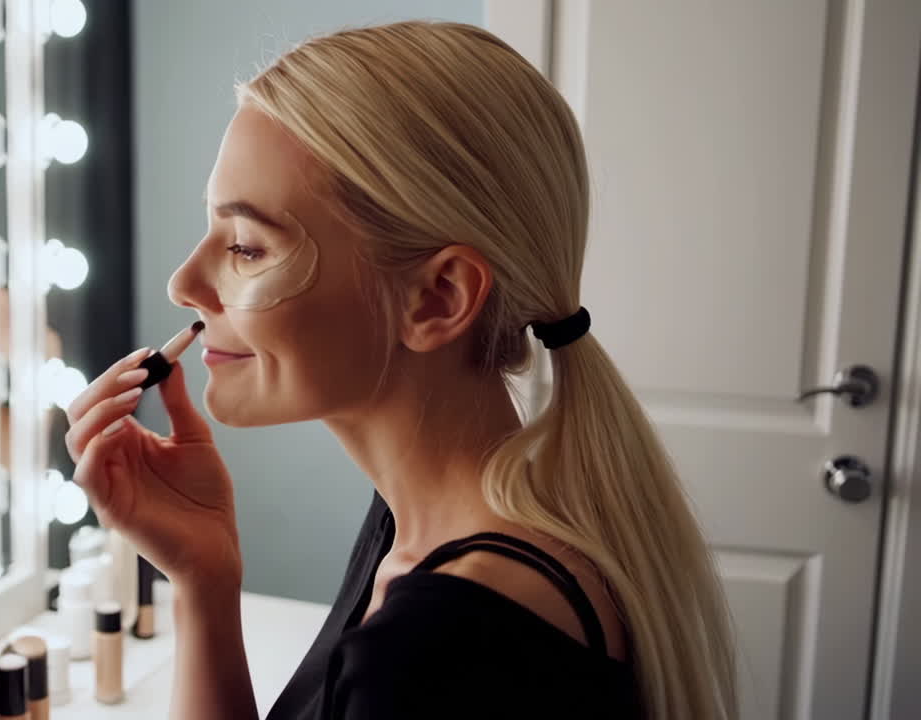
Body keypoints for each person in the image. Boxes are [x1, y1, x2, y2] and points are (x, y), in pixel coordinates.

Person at [65, 21, 738, 720]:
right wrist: (204, 579)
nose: (182, 283)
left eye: (246, 247)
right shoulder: (418, 529)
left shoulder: (444, 648)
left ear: (437, 298)